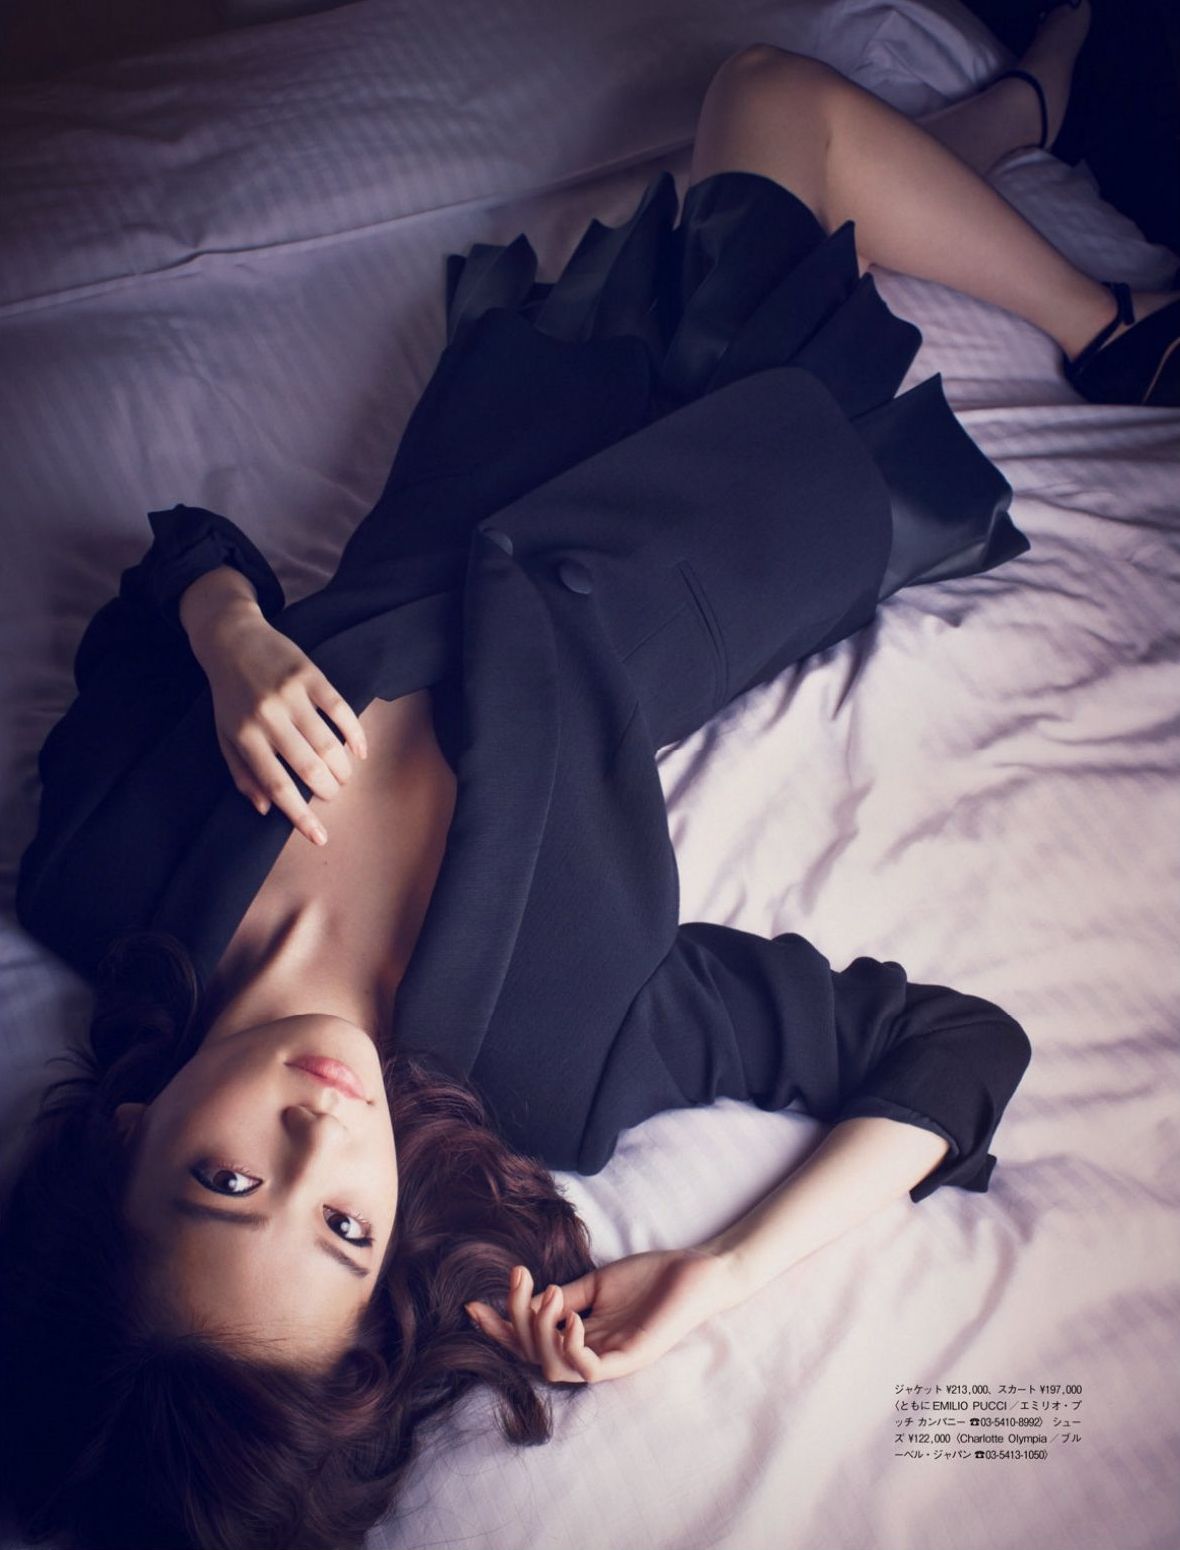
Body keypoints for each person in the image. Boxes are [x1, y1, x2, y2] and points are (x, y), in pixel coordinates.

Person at [3, 9, 1177, 1549]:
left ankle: (1012, 119)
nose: (318, 1134)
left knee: (787, 150)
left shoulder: (100, 871)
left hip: (523, 410)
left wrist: (233, 635)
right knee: (767, 96)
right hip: (740, 499)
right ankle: (1113, 320)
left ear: (125, 1135)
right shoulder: (556, 1061)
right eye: (343, 1224)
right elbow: (952, 1046)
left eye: (226, 1179)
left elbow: (174, 562)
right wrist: (722, 1272)